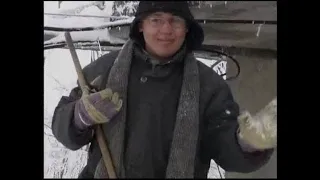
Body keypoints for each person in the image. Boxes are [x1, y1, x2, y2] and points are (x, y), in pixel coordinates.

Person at [51, 1, 277, 178]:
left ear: (186, 29)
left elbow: (225, 149)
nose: (166, 29)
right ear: (141, 25)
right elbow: (63, 127)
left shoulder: (209, 86)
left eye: (175, 21)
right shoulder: (106, 69)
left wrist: (248, 143)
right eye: (156, 20)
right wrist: (80, 116)